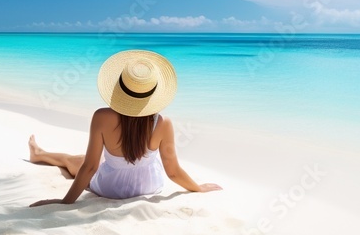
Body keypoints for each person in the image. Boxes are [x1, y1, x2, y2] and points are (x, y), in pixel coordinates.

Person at [29, 49, 221, 206]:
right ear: (153, 94)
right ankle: (40, 153)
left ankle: (39, 154)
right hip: (149, 186)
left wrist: (65, 202)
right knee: (91, 160)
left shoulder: (102, 117)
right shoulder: (163, 123)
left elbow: (90, 167)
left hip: (110, 188)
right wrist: (197, 187)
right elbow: (173, 171)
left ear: (119, 88)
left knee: (77, 160)